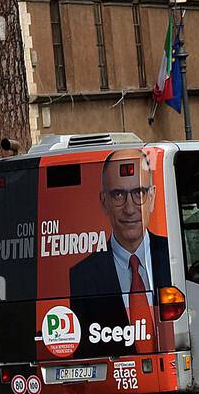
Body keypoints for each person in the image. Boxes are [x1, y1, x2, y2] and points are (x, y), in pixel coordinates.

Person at [69, 148, 171, 352]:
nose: (130, 208)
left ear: (152, 197)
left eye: (139, 193)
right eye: (118, 195)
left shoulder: (173, 254)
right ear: (104, 202)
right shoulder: (82, 276)